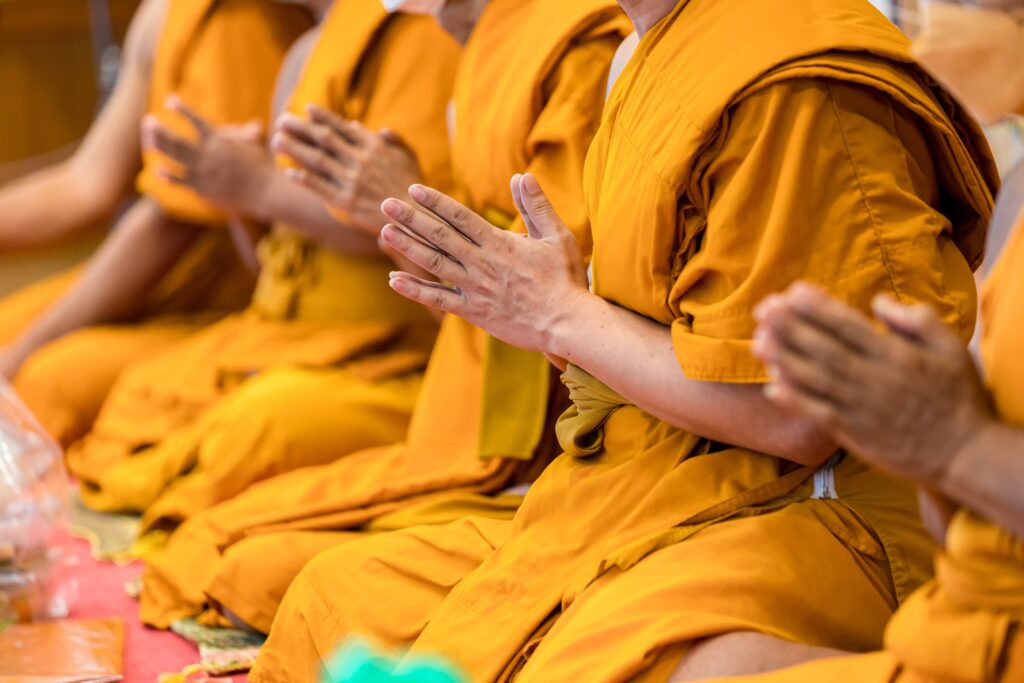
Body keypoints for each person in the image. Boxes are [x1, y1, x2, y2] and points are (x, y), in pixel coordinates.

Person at [251, 0, 1003, 680]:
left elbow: (799, 421)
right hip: (640, 474)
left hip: (816, 507)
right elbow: (624, 318)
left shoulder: (791, 84)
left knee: (579, 663)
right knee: (336, 597)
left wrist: (558, 314)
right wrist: (531, 303)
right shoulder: (640, 52)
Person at [138, 0, 631, 641]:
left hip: (539, 408)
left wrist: (393, 205)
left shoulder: (580, 44)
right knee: (222, 535)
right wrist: (249, 193)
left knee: (265, 552)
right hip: (445, 380)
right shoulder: (485, 39)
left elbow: (567, 283)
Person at [697, 1, 1024, 681]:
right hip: (964, 614)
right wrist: (923, 443)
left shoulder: (805, 81)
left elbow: (794, 429)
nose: (928, 17)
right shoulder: (1018, 197)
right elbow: (959, 526)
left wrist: (960, 443)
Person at [61, 0, 458, 526]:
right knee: (140, 396)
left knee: (251, 431)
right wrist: (235, 196)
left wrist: (258, 185)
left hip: (387, 340)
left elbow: (410, 219)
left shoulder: (424, 34)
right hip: (279, 327)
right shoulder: (300, 54)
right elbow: (266, 262)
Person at [1, 0, 313, 447]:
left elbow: (175, 223)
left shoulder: (233, 17)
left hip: (229, 292)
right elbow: (87, 185)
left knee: (42, 386)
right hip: (159, 284)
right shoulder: (167, 11)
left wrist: (21, 354)